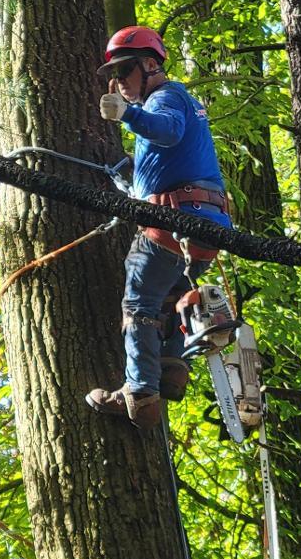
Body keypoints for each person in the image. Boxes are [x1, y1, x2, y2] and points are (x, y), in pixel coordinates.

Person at [86, 26, 232, 430]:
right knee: (168, 302)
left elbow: (167, 131)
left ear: (149, 65)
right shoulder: (180, 100)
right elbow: (171, 158)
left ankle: (140, 393)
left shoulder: (165, 98)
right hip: (205, 229)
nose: (118, 84)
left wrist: (128, 114)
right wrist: (129, 183)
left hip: (171, 228)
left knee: (138, 306)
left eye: (124, 72)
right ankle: (171, 368)